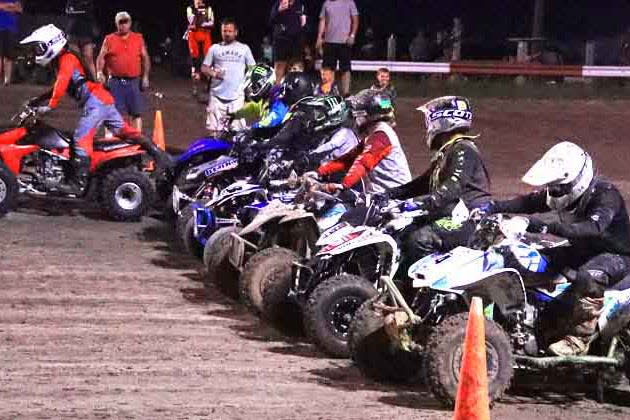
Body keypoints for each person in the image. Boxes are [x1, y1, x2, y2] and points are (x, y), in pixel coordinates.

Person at [490, 141, 630, 356]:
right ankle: (525, 324)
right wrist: (491, 207)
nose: (554, 192)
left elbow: (592, 228)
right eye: (552, 187)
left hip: (616, 256)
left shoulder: (605, 194)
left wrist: (541, 225)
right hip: (582, 250)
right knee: (525, 259)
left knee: (588, 276)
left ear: (577, 180)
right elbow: (527, 202)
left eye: (558, 187)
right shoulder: (561, 193)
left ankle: (578, 339)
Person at [19, 24, 171, 192]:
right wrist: (39, 99)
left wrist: (49, 106)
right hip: (101, 100)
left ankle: (78, 183)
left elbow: (61, 85)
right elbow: (58, 86)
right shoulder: (64, 59)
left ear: (51, 44)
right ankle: (160, 156)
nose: (37, 53)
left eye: (39, 48)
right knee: (126, 132)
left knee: (80, 138)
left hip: (96, 102)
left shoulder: (67, 59)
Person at [379, 96, 491, 264]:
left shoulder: (463, 149)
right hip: (453, 214)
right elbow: (421, 184)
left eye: (429, 120)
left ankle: (424, 288)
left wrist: (422, 204)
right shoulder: (447, 152)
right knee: (400, 230)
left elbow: (453, 186)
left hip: (472, 219)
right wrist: (388, 194)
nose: (427, 126)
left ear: (442, 121)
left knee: (419, 239)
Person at [316, 89, 411, 194]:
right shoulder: (374, 134)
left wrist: (343, 185)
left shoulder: (381, 136)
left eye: (358, 115)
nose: (356, 119)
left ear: (369, 116)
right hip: (381, 197)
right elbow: (349, 159)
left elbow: (363, 163)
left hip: (394, 201)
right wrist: (319, 172)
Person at [96, 12, 151, 132]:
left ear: (130, 23)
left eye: (126, 22)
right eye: (121, 22)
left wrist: (145, 76)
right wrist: (99, 72)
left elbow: (145, 57)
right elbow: (101, 57)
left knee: (136, 113)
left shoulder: (138, 38)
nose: (124, 25)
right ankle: (111, 141)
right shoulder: (109, 39)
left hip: (134, 81)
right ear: (116, 24)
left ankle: (137, 140)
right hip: (115, 82)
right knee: (113, 114)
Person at [201, 18, 255, 136]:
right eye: (224, 31)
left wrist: (250, 86)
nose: (227, 34)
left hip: (237, 96)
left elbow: (252, 69)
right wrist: (214, 73)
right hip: (216, 96)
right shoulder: (214, 48)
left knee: (237, 133)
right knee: (215, 132)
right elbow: (204, 68)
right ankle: (214, 153)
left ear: (236, 32)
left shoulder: (244, 48)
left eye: (230, 31)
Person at [316, 0, 359, 96]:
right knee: (329, 69)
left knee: (345, 69)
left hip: (344, 42)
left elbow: (355, 20)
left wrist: (352, 36)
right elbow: (322, 21)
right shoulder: (326, 3)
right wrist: (319, 37)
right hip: (329, 41)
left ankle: (346, 94)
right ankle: (329, 93)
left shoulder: (349, 2)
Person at [269, 0, 307, 82]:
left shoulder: (300, 5)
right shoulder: (278, 3)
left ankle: (297, 88)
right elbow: (271, 20)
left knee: (297, 64)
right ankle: (277, 90)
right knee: (280, 65)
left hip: (296, 40)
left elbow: (303, 24)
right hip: (281, 40)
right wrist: (279, 10)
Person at [185, 0, 214, 97]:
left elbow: (211, 23)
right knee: (195, 61)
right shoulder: (190, 8)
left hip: (205, 34)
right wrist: (197, 13)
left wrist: (205, 23)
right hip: (193, 35)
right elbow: (191, 22)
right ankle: (195, 88)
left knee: (208, 61)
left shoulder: (208, 8)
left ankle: (208, 86)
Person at [64, 0, 98, 79]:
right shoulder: (71, 1)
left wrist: (77, 12)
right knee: (76, 58)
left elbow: (90, 14)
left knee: (89, 58)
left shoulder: (89, 3)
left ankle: (97, 83)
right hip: (72, 33)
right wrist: (81, 12)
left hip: (86, 33)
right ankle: (81, 81)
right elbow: (68, 12)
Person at [0, 0, 21, 86]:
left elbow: (19, 9)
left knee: (8, 55)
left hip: (11, 29)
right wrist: (11, 6)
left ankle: (7, 80)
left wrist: (6, 7)